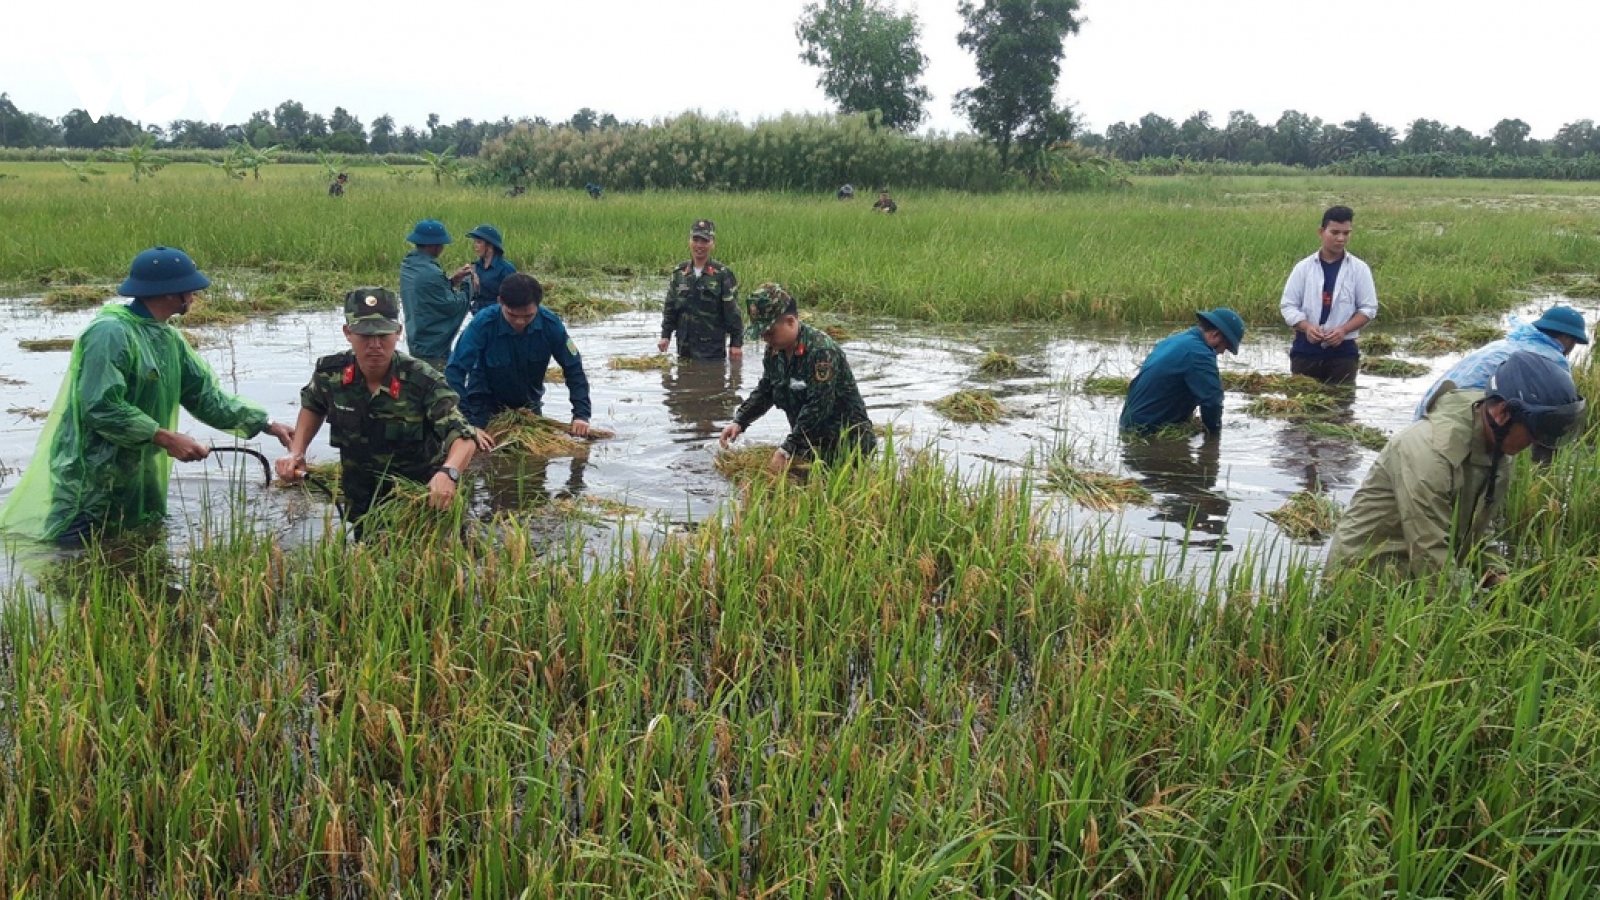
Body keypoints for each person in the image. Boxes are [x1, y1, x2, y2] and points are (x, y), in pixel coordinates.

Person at [0, 247, 293, 543]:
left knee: (136, 547)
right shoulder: (109, 333)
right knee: (74, 556)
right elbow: (101, 407)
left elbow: (205, 397)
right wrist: (167, 438)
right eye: (188, 289)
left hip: (140, 467)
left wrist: (266, 423)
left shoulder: (169, 339)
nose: (193, 296)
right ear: (168, 293)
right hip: (92, 473)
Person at [1326, 352, 1585, 582]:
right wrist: (1464, 618)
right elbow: (1429, 552)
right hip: (1366, 578)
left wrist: (1497, 575)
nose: (1536, 442)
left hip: (1417, 569)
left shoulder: (1498, 445)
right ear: (1503, 413)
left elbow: (1479, 526)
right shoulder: (1430, 452)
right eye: (1535, 432)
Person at [275, 287, 478, 535]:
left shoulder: (423, 380)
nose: (374, 345)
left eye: (383, 335)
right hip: (363, 503)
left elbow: (464, 437)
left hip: (423, 502)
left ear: (398, 332)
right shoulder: (330, 373)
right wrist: (297, 452)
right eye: (364, 335)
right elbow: (313, 405)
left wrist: (449, 473)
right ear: (348, 333)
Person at [719, 284, 875, 473]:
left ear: (791, 321)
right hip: (809, 445)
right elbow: (766, 390)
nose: (765, 339)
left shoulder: (821, 352)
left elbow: (818, 407)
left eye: (769, 332)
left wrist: (787, 449)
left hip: (847, 448)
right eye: (762, 334)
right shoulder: (775, 352)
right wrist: (740, 421)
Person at [446, 273, 593, 437]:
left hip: (528, 408)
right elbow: (454, 371)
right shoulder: (482, 324)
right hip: (483, 408)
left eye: (528, 316)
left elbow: (573, 368)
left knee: (537, 458)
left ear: (538, 305)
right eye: (513, 315)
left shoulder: (551, 325)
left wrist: (581, 414)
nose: (520, 322)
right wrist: (468, 424)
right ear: (500, 301)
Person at [1413, 305, 1588, 420]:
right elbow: (1559, 408)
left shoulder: (1507, 342)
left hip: (1430, 408)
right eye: (1574, 342)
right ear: (1566, 338)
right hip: (1461, 413)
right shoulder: (1550, 359)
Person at [1279, 205, 1377, 386]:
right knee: (1301, 408)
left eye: (1346, 233)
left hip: (1343, 354)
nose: (1341, 239)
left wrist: (1343, 330)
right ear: (1321, 232)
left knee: (1342, 407)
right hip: (1305, 352)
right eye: (1335, 232)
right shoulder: (1304, 268)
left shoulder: (1359, 269)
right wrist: (1307, 327)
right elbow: (1288, 305)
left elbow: (1368, 308)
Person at [1119, 308, 1246, 436]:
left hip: (1128, 424)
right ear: (1216, 335)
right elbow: (1212, 400)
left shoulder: (1174, 341)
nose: (1223, 352)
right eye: (1226, 346)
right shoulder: (1198, 353)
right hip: (1147, 431)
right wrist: (1213, 436)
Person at [658, 219, 743, 362]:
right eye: (695, 240)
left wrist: (736, 344)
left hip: (712, 351)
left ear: (712, 243)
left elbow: (733, 312)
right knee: (684, 381)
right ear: (689, 241)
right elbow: (671, 306)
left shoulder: (722, 274)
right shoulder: (680, 273)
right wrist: (665, 335)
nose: (699, 245)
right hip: (684, 348)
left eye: (704, 241)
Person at [398, 218, 473, 371]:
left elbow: (430, 292)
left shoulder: (409, 265)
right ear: (434, 246)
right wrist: (469, 284)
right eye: (442, 245)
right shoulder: (431, 273)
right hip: (432, 348)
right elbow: (452, 306)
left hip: (415, 340)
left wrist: (452, 280)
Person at [465, 224, 518, 314]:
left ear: (489, 246)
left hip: (495, 314)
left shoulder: (506, 269)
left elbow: (513, 298)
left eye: (479, 242)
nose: (475, 246)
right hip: (475, 312)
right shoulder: (475, 266)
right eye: (475, 242)